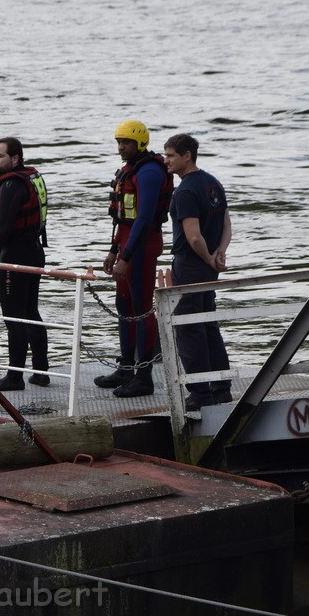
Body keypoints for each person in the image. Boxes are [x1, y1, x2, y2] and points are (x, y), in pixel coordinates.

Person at [95, 120, 173, 398]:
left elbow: (144, 218)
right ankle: (126, 368)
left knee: (140, 309)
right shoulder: (130, 170)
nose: (121, 147)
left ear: (139, 143)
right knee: (123, 305)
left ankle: (144, 376)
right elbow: (123, 220)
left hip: (142, 245)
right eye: (118, 142)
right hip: (127, 241)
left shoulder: (150, 172)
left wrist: (127, 256)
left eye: (126, 142)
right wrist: (114, 250)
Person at [162, 133, 232, 410]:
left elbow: (193, 237)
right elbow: (227, 224)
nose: (166, 160)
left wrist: (207, 258)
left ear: (186, 155)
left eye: (170, 156)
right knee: (208, 324)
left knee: (188, 328)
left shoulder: (186, 191)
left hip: (191, 264)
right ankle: (221, 387)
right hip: (209, 262)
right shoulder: (213, 183)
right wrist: (220, 253)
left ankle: (200, 393)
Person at [0, 137, 50, 391]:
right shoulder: (28, 178)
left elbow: (4, 228)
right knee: (30, 313)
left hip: (15, 258)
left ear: (15, 159)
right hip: (34, 252)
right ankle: (41, 372)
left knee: (14, 318)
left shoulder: (10, 186)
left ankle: (15, 377)